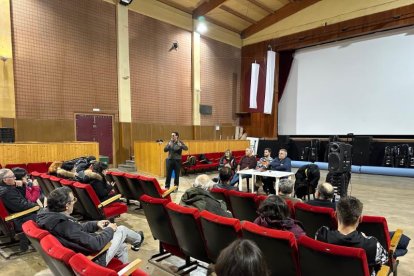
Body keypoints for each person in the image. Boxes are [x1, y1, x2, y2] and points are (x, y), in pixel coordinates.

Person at [36, 187, 144, 266]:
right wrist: (110, 230)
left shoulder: (49, 216)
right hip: (93, 259)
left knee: (121, 247)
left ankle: (123, 269)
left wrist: (95, 224)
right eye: (73, 200)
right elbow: (95, 244)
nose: (74, 202)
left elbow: (76, 230)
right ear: (67, 205)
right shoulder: (63, 224)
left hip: (83, 253)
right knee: (121, 230)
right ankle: (137, 240)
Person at [315, 196, 388, 275]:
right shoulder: (372, 244)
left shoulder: (321, 235)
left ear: (335, 215)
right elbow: (385, 259)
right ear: (360, 219)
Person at [0, 168, 40, 251]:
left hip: (17, 214)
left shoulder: (6, 188)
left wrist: (21, 187)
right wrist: (37, 205)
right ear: (5, 180)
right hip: (19, 218)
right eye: (12, 177)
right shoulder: (7, 192)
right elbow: (21, 205)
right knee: (46, 214)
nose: (15, 178)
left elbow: (21, 200)